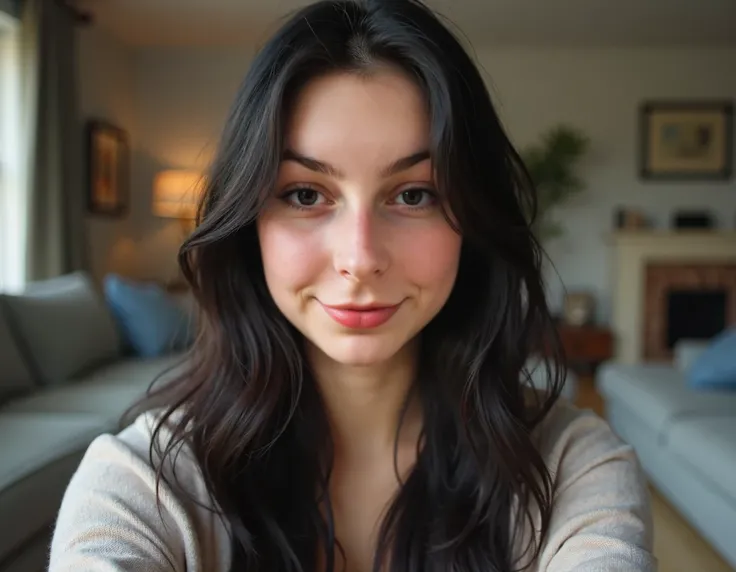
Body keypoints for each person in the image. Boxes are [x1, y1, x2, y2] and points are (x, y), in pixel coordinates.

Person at [48, 1, 655, 570]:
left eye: (414, 194)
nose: (360, 258)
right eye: (306, 194)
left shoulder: (575, 466)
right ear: (248, 223)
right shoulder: (142, 479)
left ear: (473, 218)